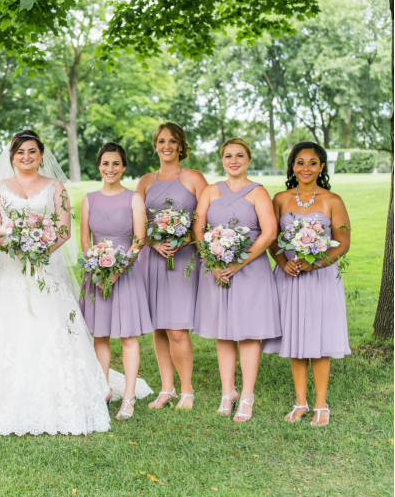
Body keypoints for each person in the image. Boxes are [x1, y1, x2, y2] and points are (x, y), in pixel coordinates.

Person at [0, 130, 111, 436]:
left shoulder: (56, 187)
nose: (26, 157)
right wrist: (17, 247)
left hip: (46, 267)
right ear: (12, 157)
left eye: (32, 152)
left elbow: (64, 230)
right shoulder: (0, 188)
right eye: (20, 153)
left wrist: (39, 250)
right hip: (8, 268)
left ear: (41, 155)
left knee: (51, 324)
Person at [263, 142, 351, 427]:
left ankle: (321, 405)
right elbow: (272, 238)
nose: (305, 168)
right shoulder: (279, 199)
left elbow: (344, 241)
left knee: (320, 338)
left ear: (322, 167)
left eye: (312, 163)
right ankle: (300, 402)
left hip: (320, 277)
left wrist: (316, 262)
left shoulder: (332, 200)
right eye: (300, 162)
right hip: (289, 277)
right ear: (292, 166)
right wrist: (281, 261)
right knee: (295, 337)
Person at [193, 138, 281, 422]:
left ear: (249, 159)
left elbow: (269, 233)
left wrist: (238, 262)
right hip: (217, 270)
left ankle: (247, 396)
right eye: (228, 156)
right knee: (224, 331)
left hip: (250, 270)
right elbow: (198, 229)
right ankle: (227, 391)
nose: (234, 160)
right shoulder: (209, 191)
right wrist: (212, 260)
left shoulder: (258, 192)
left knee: (249, 332)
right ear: (222, 160)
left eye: (239, 155)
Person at [136, 122, 208, 411]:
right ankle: (167, 389)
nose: (167, 146)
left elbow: (206, 219)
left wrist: (186, 238)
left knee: (177, 329)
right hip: (152, 259)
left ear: (181, 146)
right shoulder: (145, 181)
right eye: (161, 140)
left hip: (183, 261)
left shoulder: (194, 178)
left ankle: (187, 391)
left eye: (173, 141)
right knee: (159, 327)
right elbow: (137, 222)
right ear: (155, 145)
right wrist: (153, 244)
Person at [80, 142, 153, 420]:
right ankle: (104, 389)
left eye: (116, 164)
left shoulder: (133, 198)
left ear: (123, 167)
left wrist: (117, 270)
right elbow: (86, 239)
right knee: (100, 334)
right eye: (105, 163)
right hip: (96, 276)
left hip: (125, 274)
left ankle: (130, 396)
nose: (110, 168)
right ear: (99, 166)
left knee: (127, 336)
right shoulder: (89, 199)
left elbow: (139, 240)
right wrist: (96, 268)